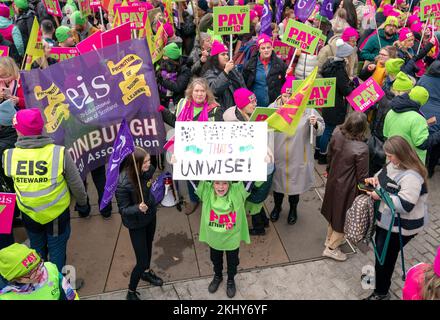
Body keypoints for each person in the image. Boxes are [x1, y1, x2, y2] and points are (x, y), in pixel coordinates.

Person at [2, 108, 88, 275]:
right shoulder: (58, 152)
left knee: (37, 251)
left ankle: (39, 283)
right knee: (57, 253)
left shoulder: (9, 156)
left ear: (21, 131)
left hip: (29, 215)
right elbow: (76, 184)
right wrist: (83, 203)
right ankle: (57, 287)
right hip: (55, 216)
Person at [363, 136, 429, 300]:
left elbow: (405, 205)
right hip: (387, 221)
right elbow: (382, 176)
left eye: (390, 155)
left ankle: (381, 293)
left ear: (401, 154)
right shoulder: (394, 163)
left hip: (400, 226)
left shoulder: (412, 177)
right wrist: (374, 180)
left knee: (384, 259)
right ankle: (379, 285)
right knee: (382, 255)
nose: (388, 159)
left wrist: (379, 196)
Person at [270, 77, 325, 225]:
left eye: (292, 96)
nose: (288, 99)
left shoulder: (308, 110)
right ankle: (277, 207)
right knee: (278, 186)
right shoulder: (272, 108)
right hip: (278, 156)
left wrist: (315, 125)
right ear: (281, 95)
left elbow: (321, 129)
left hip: (298, 155)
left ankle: (293, 209)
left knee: (295, 188)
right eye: (286, 96)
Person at [159, 78, 218, 215]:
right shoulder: (183, 104)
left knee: (208, 178)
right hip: (189, 150)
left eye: (202, 91)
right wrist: (163, 111)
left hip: (207, 152)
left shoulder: (214, 109)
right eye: (196, 90)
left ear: (207, 93)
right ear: (191, 92)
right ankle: (194, 199)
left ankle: (210, 200)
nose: (199, 94)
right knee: (191, 176)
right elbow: (176, 123)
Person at [115, 147, 163, 300]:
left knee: (149, 246)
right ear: (135, 164)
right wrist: (137, 208)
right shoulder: (123, 183)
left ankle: (146, 273)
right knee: (141, 260)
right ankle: (131, 291)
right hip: (136, 224)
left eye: (149, 160)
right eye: (145, 162)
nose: (149, 164)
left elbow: (153, 168)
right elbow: (123, 210)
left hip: (150, 216)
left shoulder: (146, 171)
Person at [321, 112, 369, 261]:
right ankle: (331, 248)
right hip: (348, 187)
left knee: (333, 212)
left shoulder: (336, 132)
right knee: (342, 218)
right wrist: (369, 192)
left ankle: (329, 239)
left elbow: (329, 154)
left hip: (334, 179)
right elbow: (362, 178)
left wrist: (329, 170)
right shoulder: (362, 148)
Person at [223, 88, 271, 235]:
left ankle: (259, 228)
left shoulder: (251, 116)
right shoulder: (235, 123)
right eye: (252, 102)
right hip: (251, 167)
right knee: (256, 199)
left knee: (253, 201)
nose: (255, 104)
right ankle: (264, 222)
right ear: (242, 105)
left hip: (260, 167)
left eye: (255, 100)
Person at [193, 179, 251, 298]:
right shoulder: (207, 191)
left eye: (224, 183)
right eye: (217, 183)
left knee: (233, 262)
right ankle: (218, 276)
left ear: (230, 184)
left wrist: (264, 162)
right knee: (215, 259)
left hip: (232, 238)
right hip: (214, 239)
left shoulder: (237, 191)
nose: (220, 187)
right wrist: (177, 162)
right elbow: (191, 177)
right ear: (212, 183)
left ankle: (230, 280)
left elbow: (251, 179)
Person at [317, 39, 356, 164]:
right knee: (328, 130)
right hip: (335, 103)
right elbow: (345, 90)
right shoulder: (339, 69)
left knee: (325, 128)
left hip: (328, 100)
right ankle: (323, 155)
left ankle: (318, 151)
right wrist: (351, 86)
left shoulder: (330, 63)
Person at [0, 243, 78, 300]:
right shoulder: (6, 297)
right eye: (30, 273)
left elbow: (69, 294)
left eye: (38, 265)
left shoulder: (49, 268)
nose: (40, 272)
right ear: (14, 279)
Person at [383, 86, 430, 163]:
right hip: (411, 163)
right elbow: (422, 144)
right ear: (422, 103)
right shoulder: (418, 118)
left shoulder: (391, 112)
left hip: (392, 159)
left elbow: (386, 135)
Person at [202, 40, 247, 121]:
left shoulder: (233, 71)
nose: (226, 57)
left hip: (237, 112)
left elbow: (242, 87)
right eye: (223, 54)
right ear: (216, 57)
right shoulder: (209, 73)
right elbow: (213, 90)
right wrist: (225, 72)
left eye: (227, 54)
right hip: (222, 114)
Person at [242, 34, 287, 107]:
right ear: (259, 50)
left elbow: (284, 84)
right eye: (263, 48)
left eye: (268, 47)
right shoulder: (250, 65)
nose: (266, 50)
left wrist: (289, 75)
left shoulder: (280, 64)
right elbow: (244, 85)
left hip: (274, 105)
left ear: (272, 48)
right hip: (255, 106)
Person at [417, 60, 440, 177]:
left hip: (422, 113)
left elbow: (416, 91)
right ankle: (430, 170)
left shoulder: (424, 78)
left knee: (421, 140)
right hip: (438, 118)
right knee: (436, 144)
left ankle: (421, 165)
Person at [156, 42, 192, 107]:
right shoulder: (163, 64)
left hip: (175, 102)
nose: (163, 58)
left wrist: (162, 80)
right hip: (161, 100)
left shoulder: (184, 69)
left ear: (171, 58)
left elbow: (178, 87)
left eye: (165, 56)